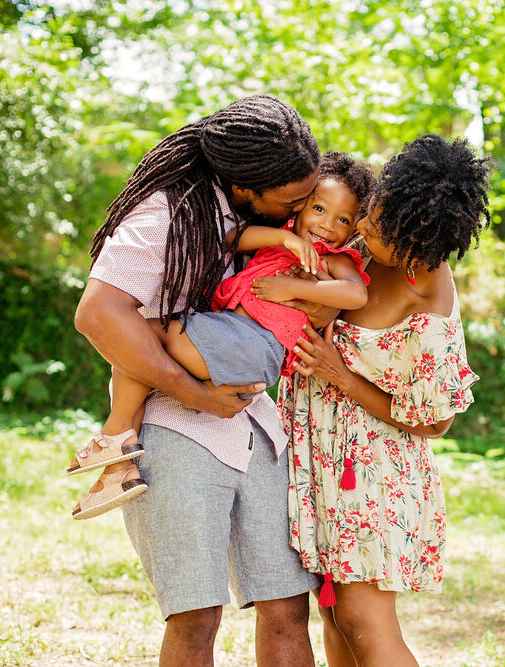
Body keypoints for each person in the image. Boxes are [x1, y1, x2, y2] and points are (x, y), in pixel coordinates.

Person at [73, 95, 329, 667]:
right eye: (291, 202)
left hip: (257, 430)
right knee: (196, 617)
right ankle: (112, 450)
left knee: (288, 607)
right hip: (174, 433)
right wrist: (194, 394)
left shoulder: (247, 217)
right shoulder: (164, 215)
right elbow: (98, 314)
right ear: (245, 186)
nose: (298, 211)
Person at [275, 134, 493, 666]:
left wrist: (340, 375)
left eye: (379, 232)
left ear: (421, 245)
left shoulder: (428, 297)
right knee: (332, 613)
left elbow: (437, 422)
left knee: (363, 621)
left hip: (371, 469)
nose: (364, 234)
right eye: (370, 218)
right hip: (317, 453)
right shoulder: (364, 241)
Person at [66, 150, 375, 521]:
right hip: (233, 339)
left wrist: (292, 288)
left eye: (342, 219)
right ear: (301, 205)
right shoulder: (284, 239)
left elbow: (355, 294)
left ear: (354, 227)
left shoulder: (335, 258)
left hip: (250, 345)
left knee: (142, 336)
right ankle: (119, 470)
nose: (327, 225)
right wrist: (286, 239)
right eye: (319, 209)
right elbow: (232, 237)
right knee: (132, 351)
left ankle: (113, 435)